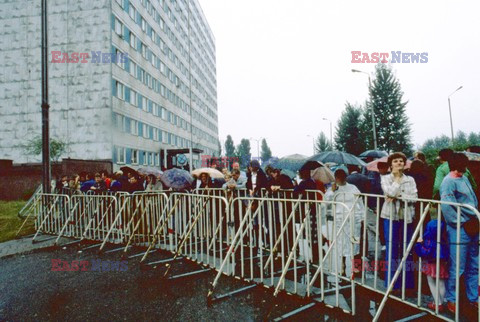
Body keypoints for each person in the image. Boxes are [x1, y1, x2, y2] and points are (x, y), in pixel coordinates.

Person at [440, 152, 479, 314]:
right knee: (458, 266)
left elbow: (472, 201)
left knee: (474, 264)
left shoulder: (463, 178)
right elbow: (448, 207)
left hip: (473, 225)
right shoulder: (448, 181)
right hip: (460, 228)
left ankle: (474, 297)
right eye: (463, 164)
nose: (465, 167)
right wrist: (462, 222)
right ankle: (452, 299)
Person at [381, 152, 418, 291]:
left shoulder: (410, 179)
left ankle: (408, 285)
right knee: (392, 249)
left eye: (401, 161)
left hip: (407, 217)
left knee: (407, 250)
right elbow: (389, 192)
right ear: (391, 164)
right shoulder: (385, 178)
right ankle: (391, 284)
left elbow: (414, 198)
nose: (399, 163)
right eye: (395, 161)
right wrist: (396, 180)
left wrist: (399, 196)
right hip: (390, 217)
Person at [325, 169, 365, 277]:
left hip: (353, 219)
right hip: (340, 220)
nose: (340, 179)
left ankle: (356, 267)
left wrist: (362, 217)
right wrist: (332, 191)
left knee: (355, 243)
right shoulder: (332, 189)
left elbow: (360, 202)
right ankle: (342, 266)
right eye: (338, 177)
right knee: (341, 244)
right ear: (335, 177)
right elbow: (326, 202)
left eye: (342, 176)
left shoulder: (353, 188)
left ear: (345, 177)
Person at [415, 219, 449, 312]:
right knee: (441, 282)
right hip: (441, 264)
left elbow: (423, 252)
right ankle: (442, 301)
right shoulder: (443, 240)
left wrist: (418, 244)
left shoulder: (429, 241)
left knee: (431, 282)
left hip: (431, 264)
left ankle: (437, 303)